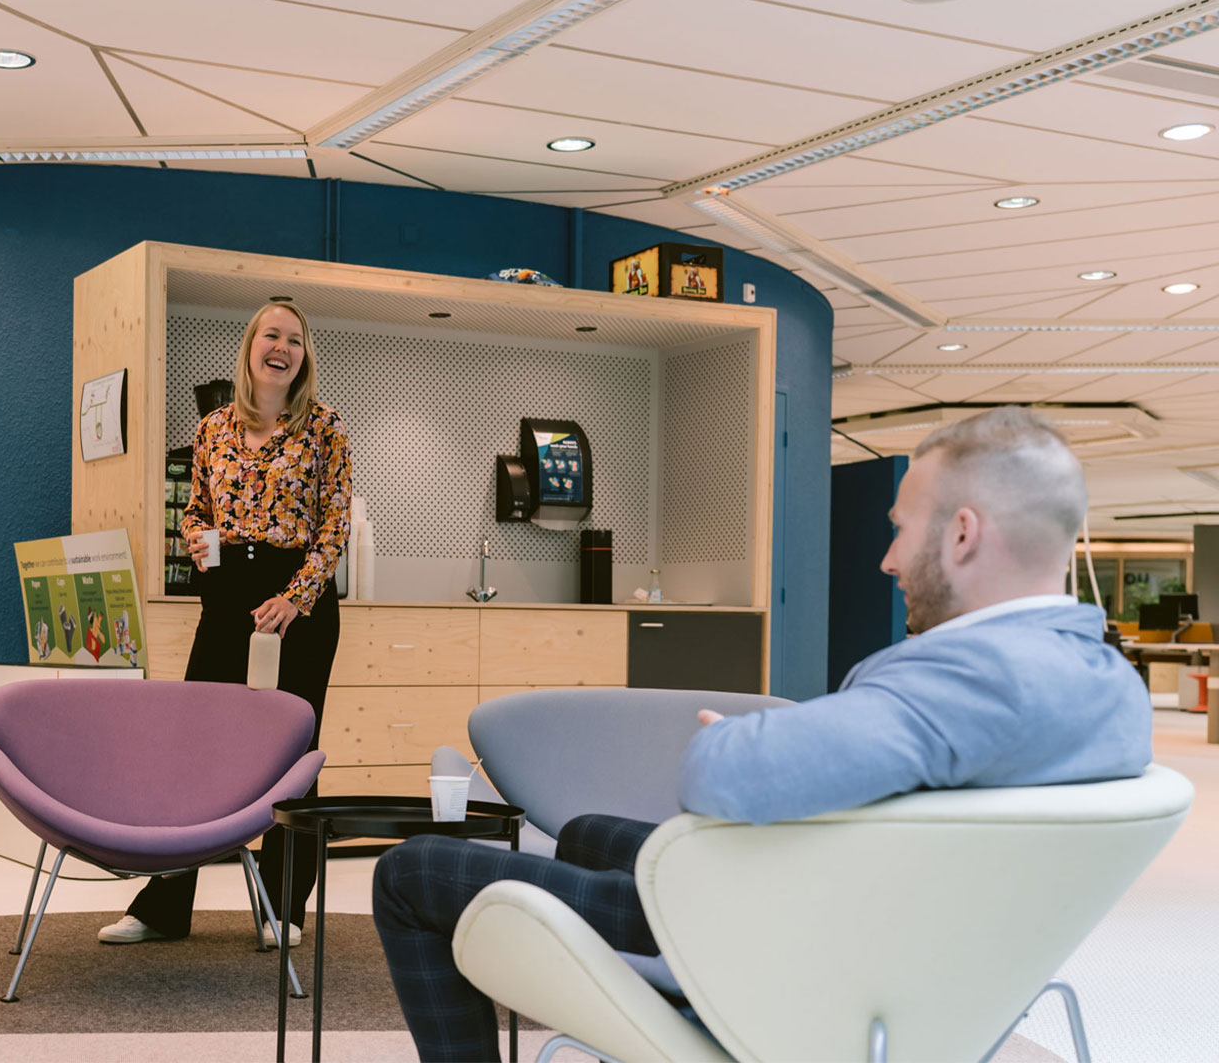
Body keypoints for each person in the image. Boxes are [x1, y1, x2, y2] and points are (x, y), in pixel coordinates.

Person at [372, 406, 1152, 1061]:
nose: (885, 559)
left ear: (962, 535)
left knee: (410, 874)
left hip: (788, 952)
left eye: (900, 529)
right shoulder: (1113, 691)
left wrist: (724, 743)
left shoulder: (962, 682)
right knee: (585, 832)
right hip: (897, 933)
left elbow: (717, 780)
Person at [99, 301, 353, 947]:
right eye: (272, 334)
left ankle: (280, 909)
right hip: (228, 593)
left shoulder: (326, 428)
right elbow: (196, 515)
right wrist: (212, 570)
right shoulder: (213, 428)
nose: (283, 346)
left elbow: (335, 524)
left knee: (292, 754)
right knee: (195, 747)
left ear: (304, 356)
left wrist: (295, 596)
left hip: (299, 602)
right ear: (250, 346)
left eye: (295, 339)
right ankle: (164, 906)